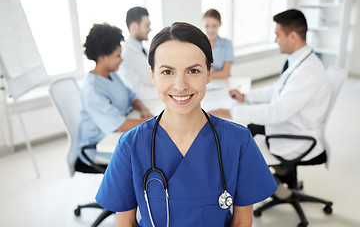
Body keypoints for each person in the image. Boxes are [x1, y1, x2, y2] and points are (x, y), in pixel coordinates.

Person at [96, 22, 277, 226]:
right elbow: (126, 223)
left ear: (209, 73)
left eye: (193, 71)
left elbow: (242, 222)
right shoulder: (131, 145)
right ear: (152, 74)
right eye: (167, 72)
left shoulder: (238, 141)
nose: (180, 86)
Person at [210, 9, 332, 171]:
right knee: (250, 128)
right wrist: (245, 97)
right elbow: (277, 90)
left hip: (295, 137)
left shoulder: (307, 72)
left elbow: (277, 112)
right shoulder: (299, 61)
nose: (275, 40)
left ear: (293, 36)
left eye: (278, 35)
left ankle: (261, 184)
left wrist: (232, 112)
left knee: (236, 147)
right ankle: (278, 182)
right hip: (289, 124)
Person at [78, 23, 153, 167]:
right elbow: (119, 125)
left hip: (117, 136)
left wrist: (144, 109)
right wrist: (156, 123)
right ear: (102, 58)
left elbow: (132, 96)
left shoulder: (112, 75)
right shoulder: (92, 89)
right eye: (118, 55)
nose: (122, 59)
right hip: (99, 146)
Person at [117, 6, 157, 100]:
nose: (149, 29)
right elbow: (136, 90)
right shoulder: (125, 55)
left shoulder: (145, 50)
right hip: (144, 104)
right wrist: (163, 91)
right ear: (134, 27)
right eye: (147, 26)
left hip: (154, 100)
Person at [203, 9, 235, 79]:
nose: (210, 30)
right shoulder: (199, 44)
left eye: (214, 26)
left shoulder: (227, 44)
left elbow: (225, 73)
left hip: (222, 83)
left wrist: (204, 76)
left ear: (219, 24)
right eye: (207, 26)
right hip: (205, 84)